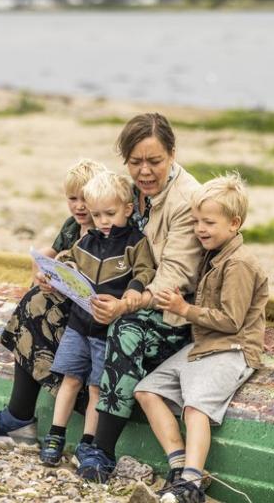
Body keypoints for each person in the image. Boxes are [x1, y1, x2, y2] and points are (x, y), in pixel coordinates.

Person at [75, 113, 206, 481]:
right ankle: (23, 416)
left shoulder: (187, 200)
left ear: (173, 154)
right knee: (46, 306)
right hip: (120, 289)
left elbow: (175, 277)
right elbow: (88, 220)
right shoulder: (130, 190)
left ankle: (100, 447)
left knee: (127, 329)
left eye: (155, 161)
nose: (145, 171)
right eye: (136, 162)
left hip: (172, 312)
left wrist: (125, 304)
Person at [134, 174, 267, 503]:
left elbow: (232, 320)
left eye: (208, 222)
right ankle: (179, 466)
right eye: (196, 222)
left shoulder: (238, 264)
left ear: (234, 223)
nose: (200, 229)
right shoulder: (213, 253)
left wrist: (184, 308)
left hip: (233, 349)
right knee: (147, 391)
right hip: (204, 346)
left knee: (195, 409)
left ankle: (191, 485)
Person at [0, 158, 105, 444]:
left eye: (86, 200)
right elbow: (47, 253)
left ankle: (18, 416)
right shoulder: (71, 226)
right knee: (33, 303)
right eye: (72, 199)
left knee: (33, 310)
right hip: (67, 301)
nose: (79, 207)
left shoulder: (103, 231)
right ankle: (18, 417)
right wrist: (40, 272)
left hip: (89, 313)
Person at [39, 171, 155, 466]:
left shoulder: (135, 242)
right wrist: (54, 273)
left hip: (106, 330)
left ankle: (88, 441)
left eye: (110, 214)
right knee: (70, 379)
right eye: (97, 215)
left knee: (95, 387)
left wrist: (131, 293)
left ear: (128, 209)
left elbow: (145, 270)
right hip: (79, 324)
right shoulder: (85, 243)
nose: (103, 221)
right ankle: (55, 434)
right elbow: (68, 261)